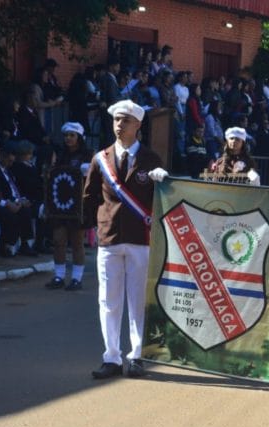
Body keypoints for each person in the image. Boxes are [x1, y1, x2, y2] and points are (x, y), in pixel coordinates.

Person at [82, 99, 169, 379]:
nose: (120, 125)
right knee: (108, 300)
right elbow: (89, 195)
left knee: (137, 300)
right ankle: (111, 357)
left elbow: (163, 200)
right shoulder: (101, 158)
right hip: (109, 237)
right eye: (117, 120)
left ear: (138, 125)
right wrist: (92, 227)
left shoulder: (150, 159)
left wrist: (163, 182)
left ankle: (136, 355)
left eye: (126, 121)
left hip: (140, 238)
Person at [46, 123, 92, 290]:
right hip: (60, 205)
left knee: (77, 242)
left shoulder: (87, 155)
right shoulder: (60, 155)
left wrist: (88, 170)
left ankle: (76, 278)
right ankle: (59, 276)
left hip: (78, 206)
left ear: (79, 137)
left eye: (72, 135)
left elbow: (94, 178)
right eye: (66, 135)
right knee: (59, 240)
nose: (68, 138)